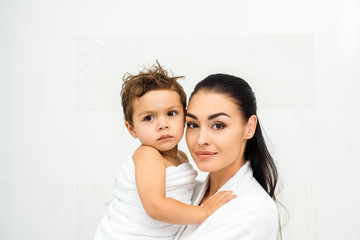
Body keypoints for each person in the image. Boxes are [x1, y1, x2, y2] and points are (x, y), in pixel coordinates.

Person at [94, 64, 236, 240]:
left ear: (185, 117)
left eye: (171, 113)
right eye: (149, 118)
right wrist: (204, 211)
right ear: (131, 128)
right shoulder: (148, 155)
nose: (162, 124)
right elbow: (156, 206)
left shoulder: (182, 158)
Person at [175, 74, 280, 240]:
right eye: (193, 125)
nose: (201, 140)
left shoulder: (255, 210)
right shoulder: (184, 193)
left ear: (250, 127)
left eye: (218, 125)